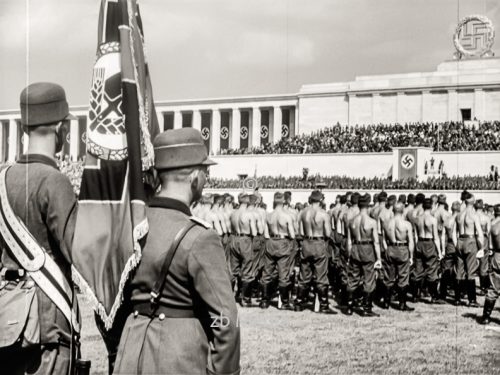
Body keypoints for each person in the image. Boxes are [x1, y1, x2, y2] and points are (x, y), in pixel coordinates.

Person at [113, 128, 240, 375]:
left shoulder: (130, 226)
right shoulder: (200, 237)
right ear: (194, 177)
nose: (206, 178)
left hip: (130, 352)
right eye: (205, 172)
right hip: (178, 358)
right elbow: (226, 322)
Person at [0, 82, 79, 374]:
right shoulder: (54, 181)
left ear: (23, 126)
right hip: (45, 322)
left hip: (6, 318)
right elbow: (77, 250)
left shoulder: (2, 177)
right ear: (61, 128)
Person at [295, 190, 332, 313]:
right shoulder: (323, 214)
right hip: (318, 242)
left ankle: (299, 302)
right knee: (321, 275)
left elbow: (299, 231)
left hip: (306, 242)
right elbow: (328, 233)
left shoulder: (303, 212)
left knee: (304, 274)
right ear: (321, 200)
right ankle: (323, 305)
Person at [346, 194, 382, 317]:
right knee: (369, 279)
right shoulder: (372, 222)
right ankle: (366, 308)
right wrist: (378, 258)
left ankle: (349, 306)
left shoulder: (352, 221)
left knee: (353, 278)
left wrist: (349, 255)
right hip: (367, 248)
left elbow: (349, 241)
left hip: (355, 248)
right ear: (368, 205)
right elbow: (376, 242)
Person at [260, 192, 296, 309]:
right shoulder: (287, 216)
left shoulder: (269, 215)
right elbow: (292, 234)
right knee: (283, 273)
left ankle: (264, 300)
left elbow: (265, 234)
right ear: (284, 201)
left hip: (271, 241)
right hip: (283, 242)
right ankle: (284, 302)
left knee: (267, 272)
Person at [380, 203, 415, 311]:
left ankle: (386, 302)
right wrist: (411, 256)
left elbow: (383, 239)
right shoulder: (406, 224)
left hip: (390, 248)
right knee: (403, 277)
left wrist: (387, 250)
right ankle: (402, 304)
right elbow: (411, 242)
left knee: (388, 277)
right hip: (402, 248)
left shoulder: (386, 223)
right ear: (402, 210)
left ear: (393, 210)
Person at [455, 192, 484, 307]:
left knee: (459, 271)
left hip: (460, 241)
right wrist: (481, 248)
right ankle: (472, 300)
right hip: (470, 240)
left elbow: (454, 232)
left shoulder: (459, 215)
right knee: (471, 272)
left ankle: (457, 299)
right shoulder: (474, 215)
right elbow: (480, 234)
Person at [414, 198, 444, 304]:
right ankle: (434, 296)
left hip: (419, 242)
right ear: (431, 206)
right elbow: (436, 237)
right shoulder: (432, 219)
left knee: (418, 270)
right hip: (429, 243)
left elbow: (415, 235)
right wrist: (440, 252)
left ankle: (415, 295)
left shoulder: (417, 218)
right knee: (432, 270)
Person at [479, 204, 500, 324]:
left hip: (497, 256)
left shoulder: (493, 226)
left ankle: (486, 316)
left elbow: (490, 246)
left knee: (493, 288)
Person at [440, 202, 460, 302]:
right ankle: (457, 297)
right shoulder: (460, 219)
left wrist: (443, 249)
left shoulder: (447, 220)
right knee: (459, 270)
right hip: (458, 244)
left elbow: (443, 236)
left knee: (446, 270)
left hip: (449, 245)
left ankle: (442, 294)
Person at [476, 200, 492, 294]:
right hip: (484, 240)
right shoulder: (486, 218)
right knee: (483, 264)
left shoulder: (473, 216)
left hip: (473, 239)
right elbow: (488, 232)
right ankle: (483, 287)